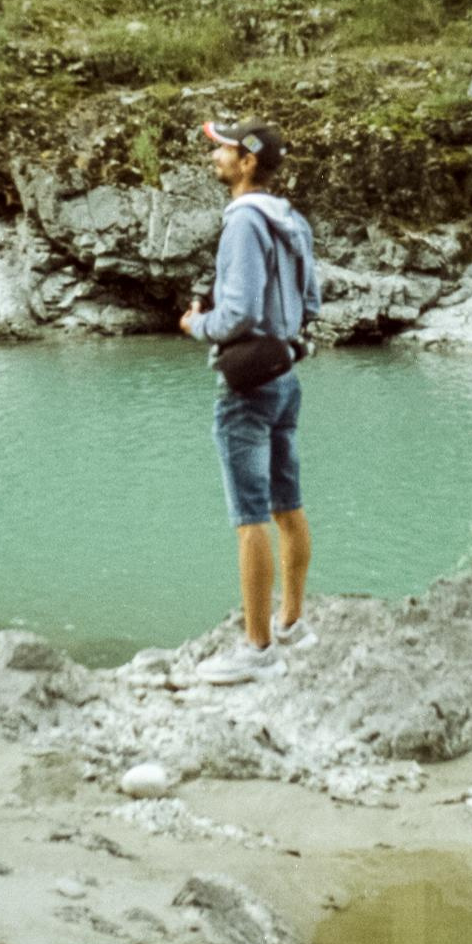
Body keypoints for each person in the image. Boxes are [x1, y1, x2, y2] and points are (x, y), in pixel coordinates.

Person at [179, 118, 321, 684]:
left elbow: (235, 314)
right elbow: (310, 300)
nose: (216, 156)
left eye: (226, 150)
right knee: (288, 503)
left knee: (249, 516)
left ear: (249, 163)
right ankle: (293, 623)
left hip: (247, 385)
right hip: (285, 375)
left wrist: (197, 324)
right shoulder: (293, 220)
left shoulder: (242, 223)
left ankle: (258, 650)